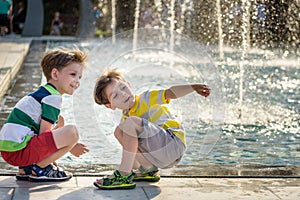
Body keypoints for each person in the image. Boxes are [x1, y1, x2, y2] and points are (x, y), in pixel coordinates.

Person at [93, 68, 210, 189]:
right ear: (110, 106)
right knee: (119, 131)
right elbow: (132, 156)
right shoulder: (126, 120)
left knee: (129, 124)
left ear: (129, 84)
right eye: (115, 95)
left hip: (173, 143)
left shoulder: (146, 98)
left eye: (123, 87)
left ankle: (123, 175)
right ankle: (148, 169)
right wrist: (134, 166)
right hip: (160, 155)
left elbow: (170, 93)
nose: (123, 94)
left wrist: (193, 87)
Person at [0, 47, 89, 182]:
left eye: (79, 77)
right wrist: (71, 145)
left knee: (60, 121)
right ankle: (41, 168)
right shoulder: (53, 98)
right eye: (73, 74)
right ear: (55, 74)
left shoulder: (43, 93)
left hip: (10, 150)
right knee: (72, 132)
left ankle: (26, 168)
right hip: (18, 151)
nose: (77, 81)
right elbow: (44, 134)